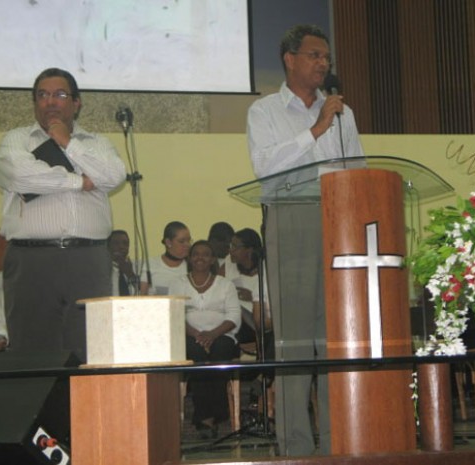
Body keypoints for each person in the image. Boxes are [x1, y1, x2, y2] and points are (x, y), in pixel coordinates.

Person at [246, 24, 365, 456]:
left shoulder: (343, 114)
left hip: (338, 221)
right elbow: (264, 166)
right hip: (291, 217)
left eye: (326, 57)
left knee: (335, 337)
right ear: (289, 59)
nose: (323, 63)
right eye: (315, 55)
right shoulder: (264, 111)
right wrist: (316, 128)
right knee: (294, 340)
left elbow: (356, 167)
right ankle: (296, 445)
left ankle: (337, 440)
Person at [0, 67, 126, 362]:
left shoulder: (98, 143)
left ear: (76, 103)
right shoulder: (16, 139)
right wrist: (80, 182)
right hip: (31, 260)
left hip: (88, 260)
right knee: (31, 354)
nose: (50, 101)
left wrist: (68, 142)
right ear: (35, 103)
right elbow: (20, 175)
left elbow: (114, 175)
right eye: (42, 95)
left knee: (92, 351)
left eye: (60, 95)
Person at [168, 240, 241, 439]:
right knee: (197, 354)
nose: (200, 257)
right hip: (189, 336)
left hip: (222, 335)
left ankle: (206, 417)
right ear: (190, 259)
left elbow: (234, 316)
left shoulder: (225, 284)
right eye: (196, 254)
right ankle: (212, 416)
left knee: (220, 352)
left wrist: (212, 334)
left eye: (206, 254)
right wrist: (197, 335)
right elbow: (174, 315)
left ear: (212, 259)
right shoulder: (177, 283)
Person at [148, 221, 192, 295]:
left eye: (189, 241)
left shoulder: (192, 266)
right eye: (182, 241)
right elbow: (142, 294)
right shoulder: (151, 264)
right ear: (168, 242)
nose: (187, 245)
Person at [108, 229, 149, 296]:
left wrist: (130, 274)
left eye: (125, 243)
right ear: (108, 246)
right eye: (116, 243)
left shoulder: (138, 267)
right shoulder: (101, 269)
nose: (121, 247)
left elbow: (146, 293)